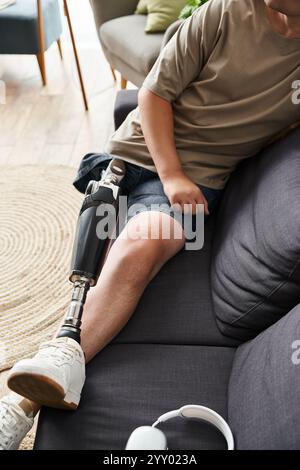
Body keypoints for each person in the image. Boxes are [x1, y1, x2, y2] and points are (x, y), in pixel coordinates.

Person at [1, 0, 300, 450]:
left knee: (138, 245)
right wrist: (172, 174)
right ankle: (54, 366)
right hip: (139, 153)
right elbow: (154, 94)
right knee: (99, 253)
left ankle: (25, 402)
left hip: (197, 181)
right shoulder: (223, 12)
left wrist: (182, 181)